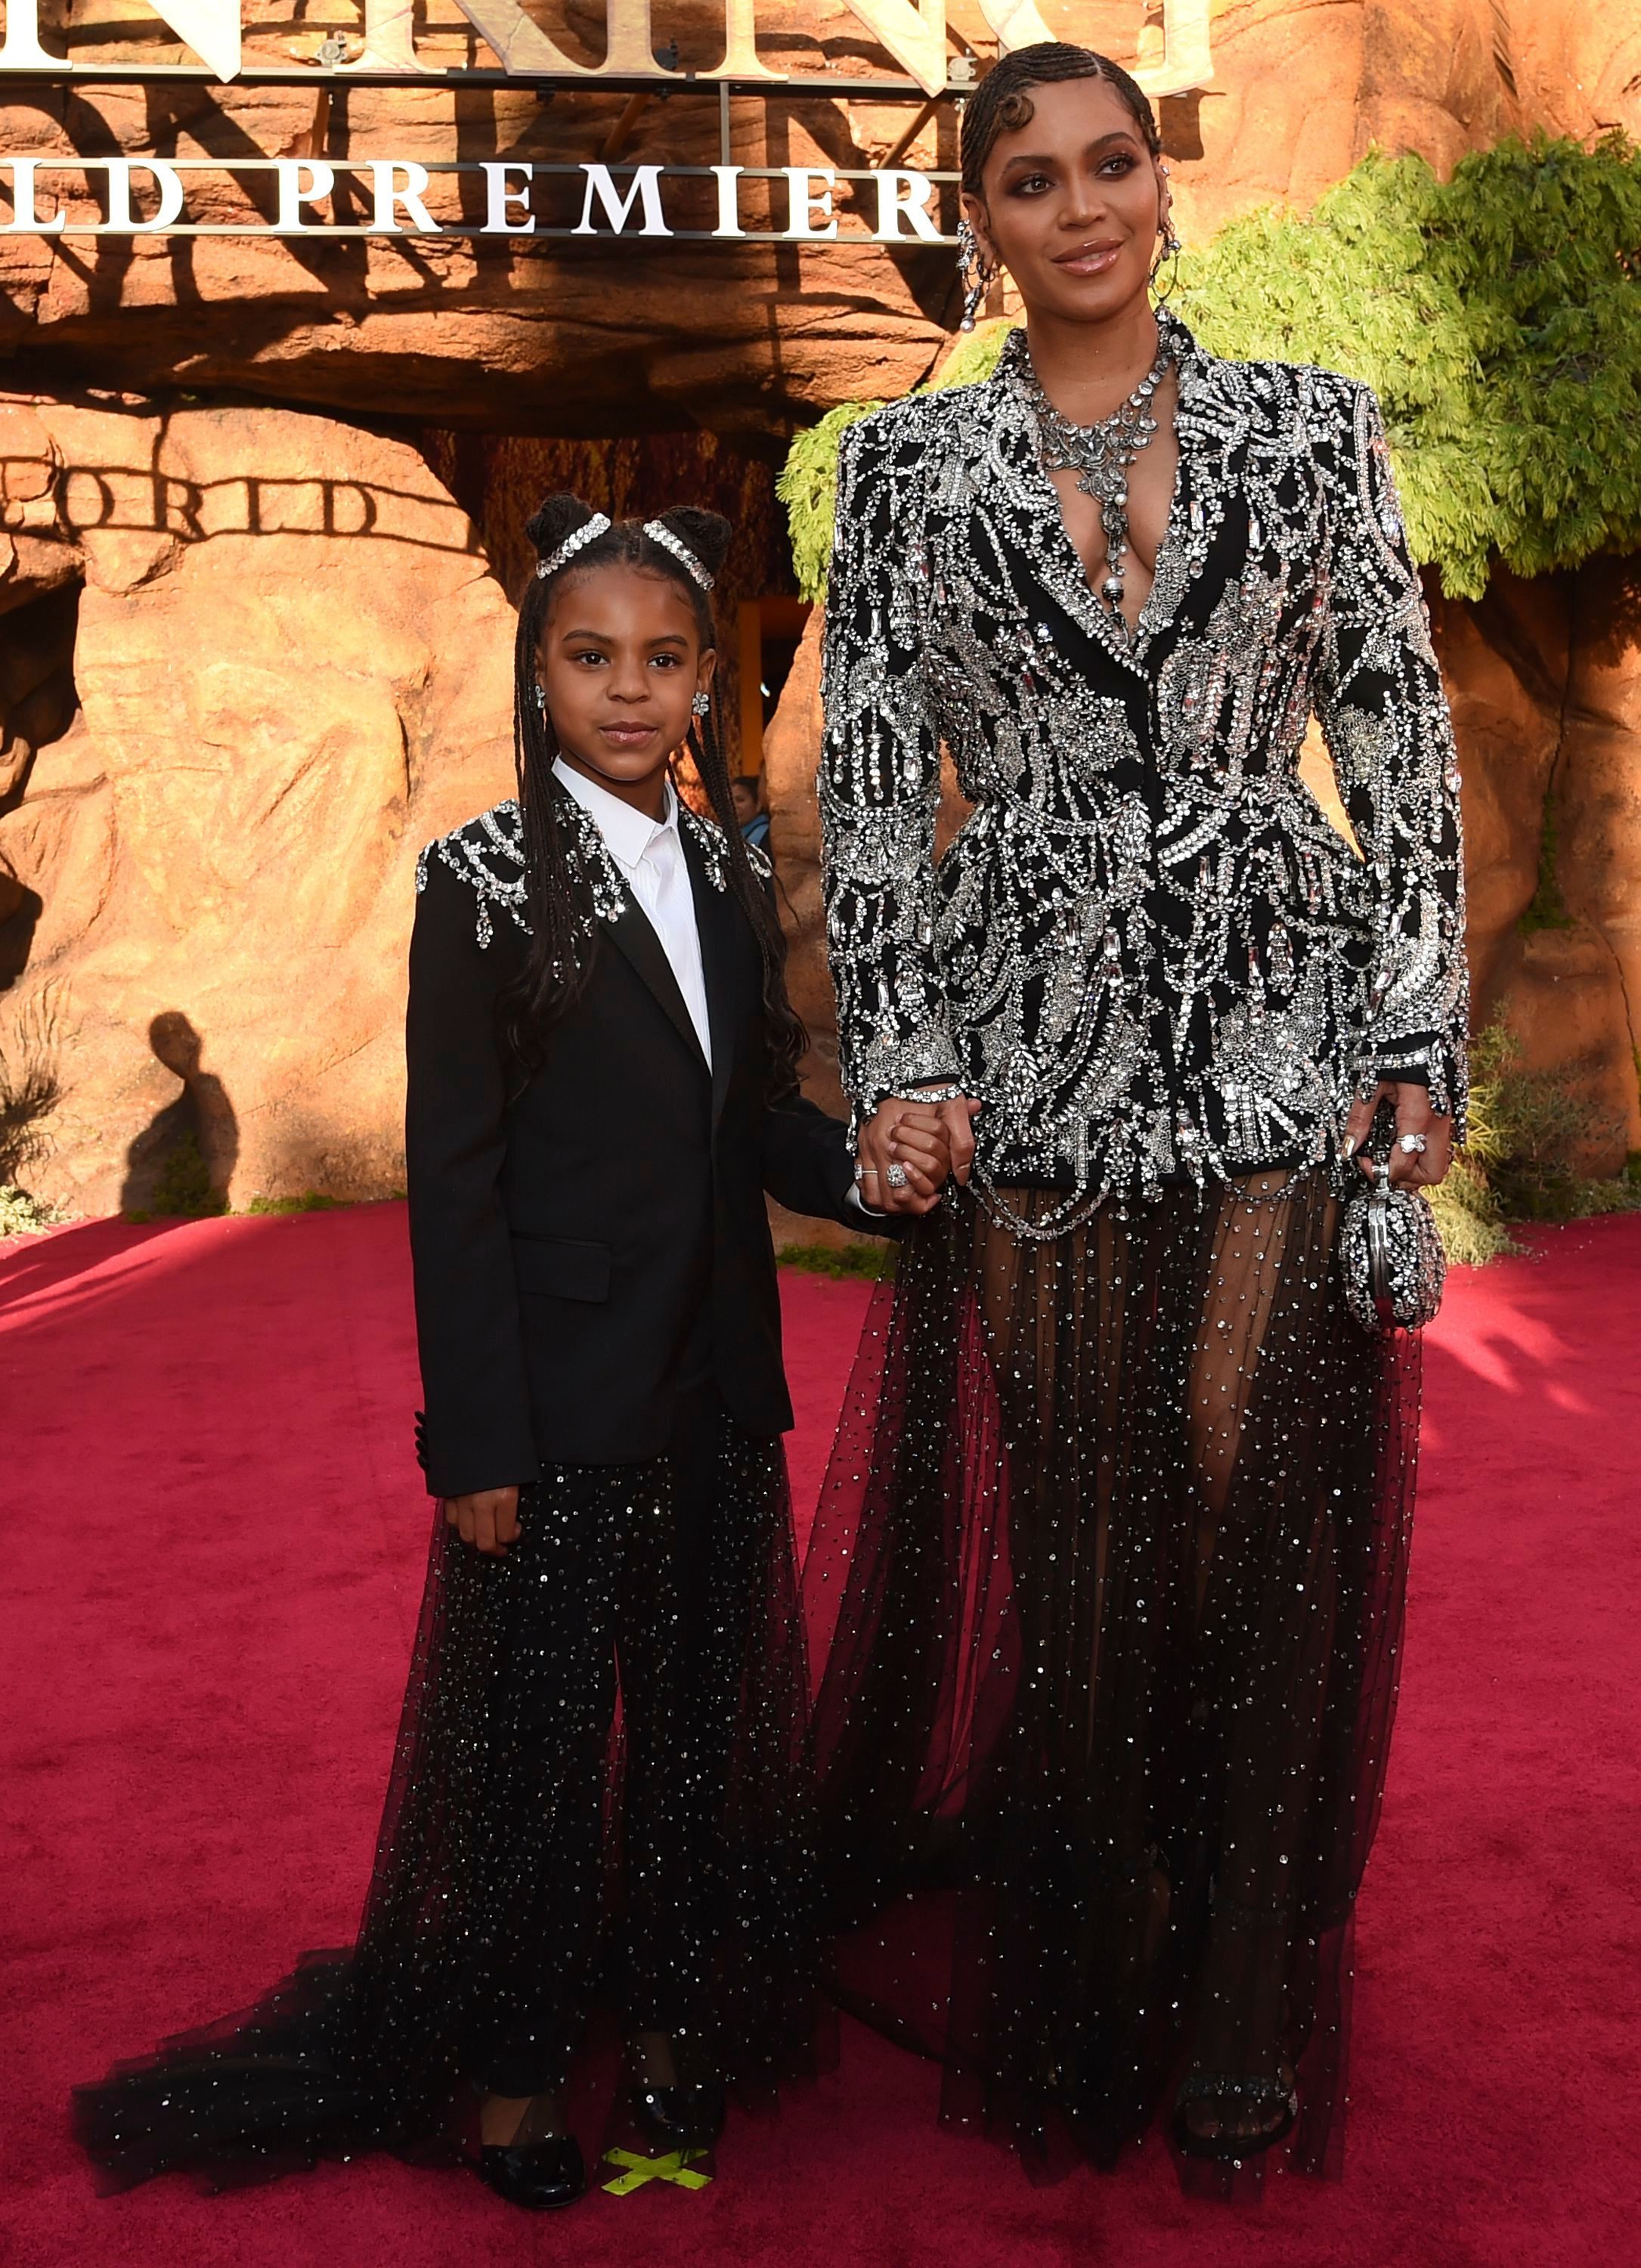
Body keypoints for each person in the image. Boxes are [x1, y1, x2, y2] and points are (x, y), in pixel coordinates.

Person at [73, 496, 952, 2211]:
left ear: (706, 680)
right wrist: (472, 1437)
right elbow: (455, 1189)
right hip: (549, 1416)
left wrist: (873, 1173)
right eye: (589, 656)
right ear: (537, 669)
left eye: (664, 659)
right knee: (540, 1762)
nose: (628, 690)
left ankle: (686, 2033)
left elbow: (754, 1118)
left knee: (701, 1743)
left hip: (715, 1398)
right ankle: (515, 2075)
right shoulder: (471, 884)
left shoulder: (722, 866)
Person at [803, 43, 1466, 2183]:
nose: (1079, 206)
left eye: (1112, 164)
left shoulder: (1303, 427)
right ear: (979, 221)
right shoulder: (905, 476)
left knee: (1253, 1520)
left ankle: (1247, 2004)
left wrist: (1416, 1022)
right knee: (1089, 1540)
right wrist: (903, 1056)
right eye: (1028, 179)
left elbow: (1394, 722)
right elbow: (877, 788)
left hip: (1279, 1010)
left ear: (1159, 185)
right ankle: (1100, 1971)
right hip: (1039, 1048)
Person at [732, 773, 771, 851]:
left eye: (740, 800)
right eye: (729, 801)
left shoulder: (766, 835)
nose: (733, 806)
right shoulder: (738, 834)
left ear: (758, 804)